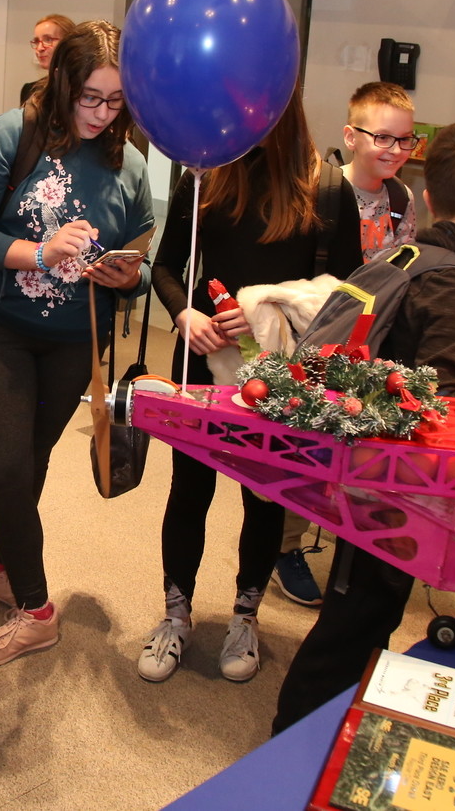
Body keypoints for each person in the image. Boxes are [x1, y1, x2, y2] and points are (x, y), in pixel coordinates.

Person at [271, 111, 455, 733]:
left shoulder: (408, 253)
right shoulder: (454, 282)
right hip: (393, 484)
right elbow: (444, 403)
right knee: (359, 617)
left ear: (427, 196)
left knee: (356, 610)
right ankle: (294, 742)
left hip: (361, 458)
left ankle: (324, 724)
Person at [140, 95, 362, 683]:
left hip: (281, 373)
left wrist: (269, 311)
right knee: (189, 488)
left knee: (264, 497)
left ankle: (246, 617)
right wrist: (184, 314)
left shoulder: (327, 189)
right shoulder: (204, 175)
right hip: (202, 359)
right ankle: (175, 614)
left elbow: (345, 296)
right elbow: (166, 266)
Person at [0, 19, 153, 667]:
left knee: (31, 461)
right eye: (90, 97)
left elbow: (144, 256)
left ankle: (2, 563)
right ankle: (37, 612)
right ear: (62, 82)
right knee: (3, 465)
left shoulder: (130, 163)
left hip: (75, 341)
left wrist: (130, 276)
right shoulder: (11, 137)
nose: (101, 113)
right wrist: (38, 252)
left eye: (116, 100)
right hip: (3, 328)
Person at [340, 81, 420, 262]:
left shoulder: (402, 197)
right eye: (383, 137)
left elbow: (403, 263)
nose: (396, 150)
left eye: (405, 139)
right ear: (351, 138)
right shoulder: (326, 192)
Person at [19, 14, 74, 104]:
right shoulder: (30, 90)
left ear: (68, 43)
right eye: (37, 41)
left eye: (48, 40)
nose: (40, 48)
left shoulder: (84, 87)